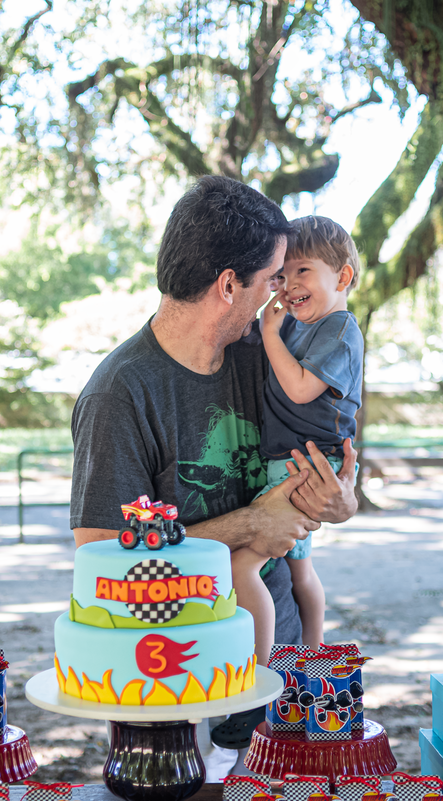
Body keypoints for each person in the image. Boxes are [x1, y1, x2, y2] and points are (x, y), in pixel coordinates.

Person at [68, 175, 358, 749]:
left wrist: (341, 499)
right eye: (273, 279)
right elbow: (100, 556)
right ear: (229, 284)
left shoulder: (268, 355)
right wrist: (251, 524)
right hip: (171, 679)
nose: (280, 295)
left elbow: (336, 449)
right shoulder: (120, 394)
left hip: (284, 675)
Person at [231, 215, 364, 664]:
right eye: (282, 277)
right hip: (291, 461)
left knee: (242, 565)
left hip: (308, 464)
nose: (288, 286)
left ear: (342, 276)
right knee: (297, 567)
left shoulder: (339, 329)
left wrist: (270, 332)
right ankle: (312, 658)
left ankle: (263, 668)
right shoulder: (298, 325)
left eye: (302, 270)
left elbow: (303, 388)